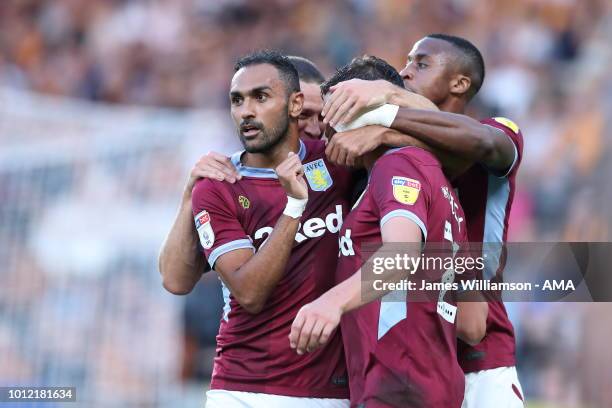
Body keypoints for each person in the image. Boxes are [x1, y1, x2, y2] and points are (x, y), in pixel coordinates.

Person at [319, 34, 525, 408]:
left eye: (421, 63)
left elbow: (479, 146)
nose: (405, 72)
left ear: (460, 83)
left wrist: (387, 105)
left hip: (482, 355)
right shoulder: (393, 159)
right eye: (407, 62)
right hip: (413, 355)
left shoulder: (498, 130)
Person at [288, 55, 487, 408]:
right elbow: (471, 325)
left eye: (329, 115)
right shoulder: (440, 182)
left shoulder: (397, 165)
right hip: (422, 379)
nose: (322, 131)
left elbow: (401, 253)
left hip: (398, 380)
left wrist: (332, 302)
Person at [187, 50, 352, 407]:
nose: (246, 110)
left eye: (260, 97)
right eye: (237, 100)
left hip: (333, 391)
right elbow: (249, 293)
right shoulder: (217, 185)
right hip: (245, 390)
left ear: (295, 105)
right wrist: (295, 206)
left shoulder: (338, 163)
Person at [158, 56, 328, 289]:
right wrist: (189, 199)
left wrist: (357, 304)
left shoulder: (341, 164)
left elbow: (393, 252)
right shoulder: (224, 183)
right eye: (304, 116)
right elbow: (176, 282)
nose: (315, 129)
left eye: (323, 117)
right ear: (292, 106)